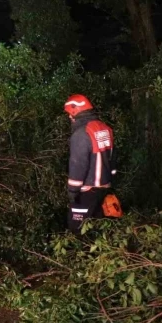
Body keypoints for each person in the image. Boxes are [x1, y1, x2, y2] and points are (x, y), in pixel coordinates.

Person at [65, 94, 116, 234]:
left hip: (87, 190)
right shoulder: (105, 128)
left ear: (76, 110)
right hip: (104, 187)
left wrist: (73, 191)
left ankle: (79, 253)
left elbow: (78, 164)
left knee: (77, 228)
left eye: (70, 113)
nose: (69, 117)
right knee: (97, 225)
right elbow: (113, 158)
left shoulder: (81, 134)